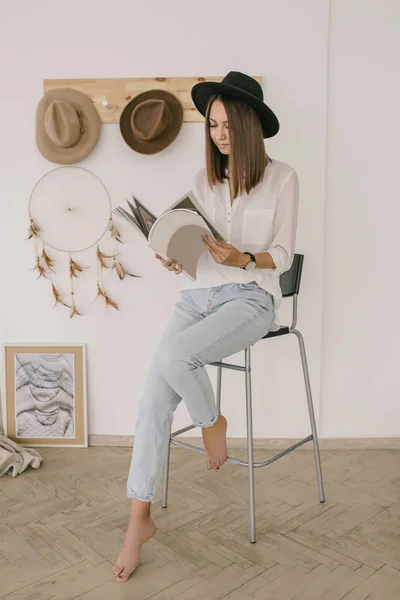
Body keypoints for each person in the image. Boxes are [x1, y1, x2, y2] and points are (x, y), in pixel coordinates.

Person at [112, 71, 299, 583]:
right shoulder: (202, 181)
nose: (217, 133)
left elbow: (281, 256)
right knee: (152, 398)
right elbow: (192, 245)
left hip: (250, 298)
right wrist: (178, 256)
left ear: (247, 124)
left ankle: (211, 422)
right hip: (197, 297)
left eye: (225, 123)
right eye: (211, 124)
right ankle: (138, 520)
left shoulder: (283, 177)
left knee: (175, 359)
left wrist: (243, 259)